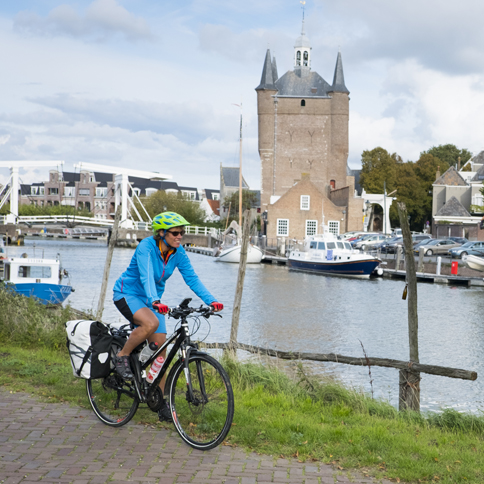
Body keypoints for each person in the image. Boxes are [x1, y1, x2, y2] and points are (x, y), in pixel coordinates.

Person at [112, 211, 223, 421]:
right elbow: (146, 276)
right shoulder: (146, 247)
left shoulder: (177, 252)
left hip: (153, 300)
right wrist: (155, 300)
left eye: (182, 232)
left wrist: (211, 300)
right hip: (129, 294)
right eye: (175, 233)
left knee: (160, 353)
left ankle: (159, 402)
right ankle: (122, 356)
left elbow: (192, 279)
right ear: (161, 233)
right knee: (150, 323)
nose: (180, 236)